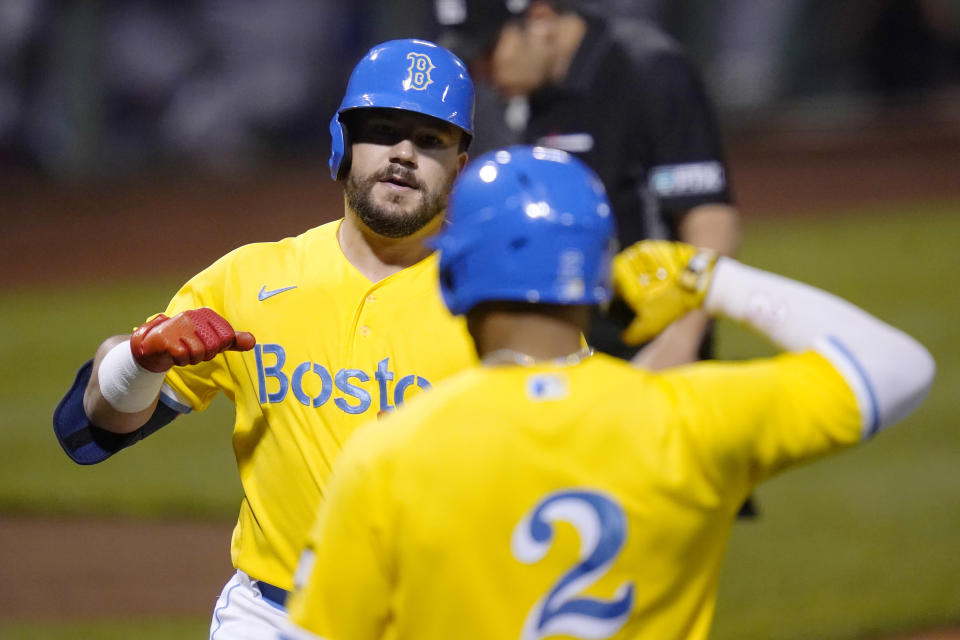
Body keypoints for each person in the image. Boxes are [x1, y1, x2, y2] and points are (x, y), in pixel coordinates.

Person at [281, 145, 934, 640]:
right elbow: (898, 366)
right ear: (597, 276)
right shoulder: (690, 417)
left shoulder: (390, 453)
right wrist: (710, 279)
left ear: (453, 277)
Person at [52, 38, 476, 638]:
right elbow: (90, 431)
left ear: (460, 166)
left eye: (430, 139)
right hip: (273, 619)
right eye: (382, 130)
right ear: (344, 143)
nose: (403, 154)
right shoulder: (252, 279)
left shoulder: (499, 300)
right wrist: (139, 358)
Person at [434, 0, 740, 371]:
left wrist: (681, 341)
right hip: (566, 354)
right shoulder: (524, 90)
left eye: (487, 49)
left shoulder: (646, 68)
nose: (479, 71)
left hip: (648, 350)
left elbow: (708, 218)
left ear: (541, 18)